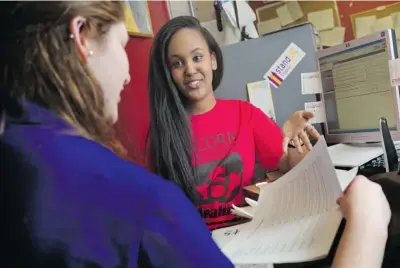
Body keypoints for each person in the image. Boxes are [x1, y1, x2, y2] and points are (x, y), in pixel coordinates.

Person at [0, 4, 390, 268]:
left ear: (214, 59)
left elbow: (284, 164)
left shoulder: (17, 156)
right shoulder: (150, 197)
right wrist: (370, 223)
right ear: (81, 36)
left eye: (198, 57)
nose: (126, 73)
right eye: (122, 46)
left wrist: (299, 153)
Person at [147, 16, 320, 229]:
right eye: (178, 63)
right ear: (169, 74)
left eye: (197, 57)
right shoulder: (164, 132)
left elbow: (291, 165)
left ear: (213, 60)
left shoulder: (244, 113)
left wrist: (292, 140)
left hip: (248, 235)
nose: (190, 70)